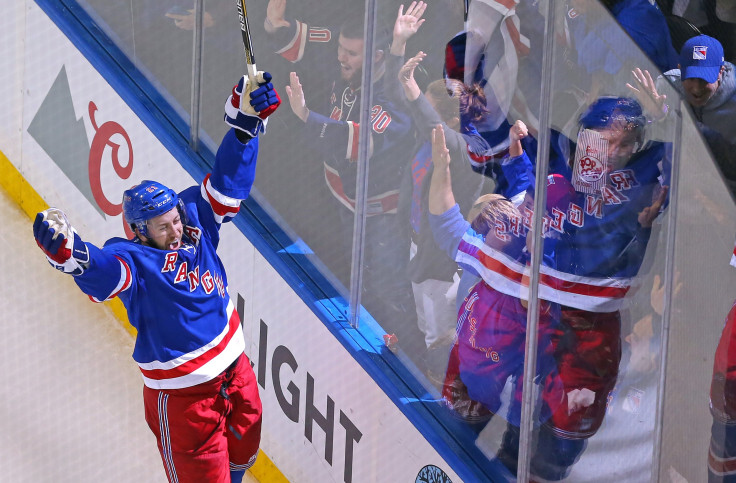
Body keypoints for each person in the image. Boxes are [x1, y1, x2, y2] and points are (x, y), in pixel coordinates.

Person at [31, 72, 281, 483]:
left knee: (243, 455)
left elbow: (226, 187)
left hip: (235, 370)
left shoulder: (192, 221)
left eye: (175, 219)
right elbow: (105, 273)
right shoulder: (133, 258)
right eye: (163, 227)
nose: (176, 229)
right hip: (184, 400)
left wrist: (245, 129)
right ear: (140, 231)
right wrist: (72, 255)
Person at [268, 1, 428, 359]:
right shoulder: (345, 57)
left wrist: (307, 117)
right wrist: (276, 20)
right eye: (342, 48)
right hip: (343, 201)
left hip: (382, 214)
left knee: (388, 286)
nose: (342, 56)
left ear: (376, 56)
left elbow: (358, 141)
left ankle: (416, 356)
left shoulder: (394, 100)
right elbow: (300, 40)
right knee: (361, 278)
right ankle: (382, 338)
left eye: (352, 53)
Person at [392, 49, 492, 380]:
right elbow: (423, 118)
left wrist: (412, 88)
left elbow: (429, 121)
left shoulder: (470, 148)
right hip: (417, 242)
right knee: (423, 323)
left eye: (429, 113)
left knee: (440, 336)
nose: (422, 120)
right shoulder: (434, 134)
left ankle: (439, 392)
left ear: (452, 121)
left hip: (442, 261)